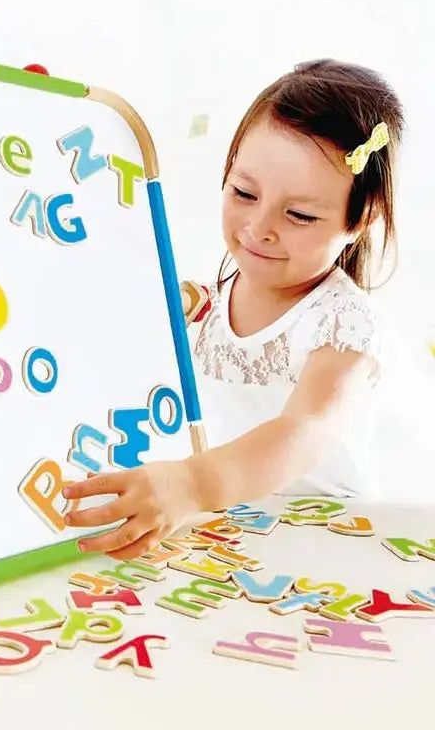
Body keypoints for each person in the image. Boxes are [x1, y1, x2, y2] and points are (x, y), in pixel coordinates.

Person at [62, 58, 406, 561]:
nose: (259, 228)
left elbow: (305, 429)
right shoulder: (205, 302)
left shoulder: (344, 324)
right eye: (244, 192)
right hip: (231, 533)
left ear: (360, 220)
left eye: (299, 215)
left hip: (327, 541)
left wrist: (192, 484)